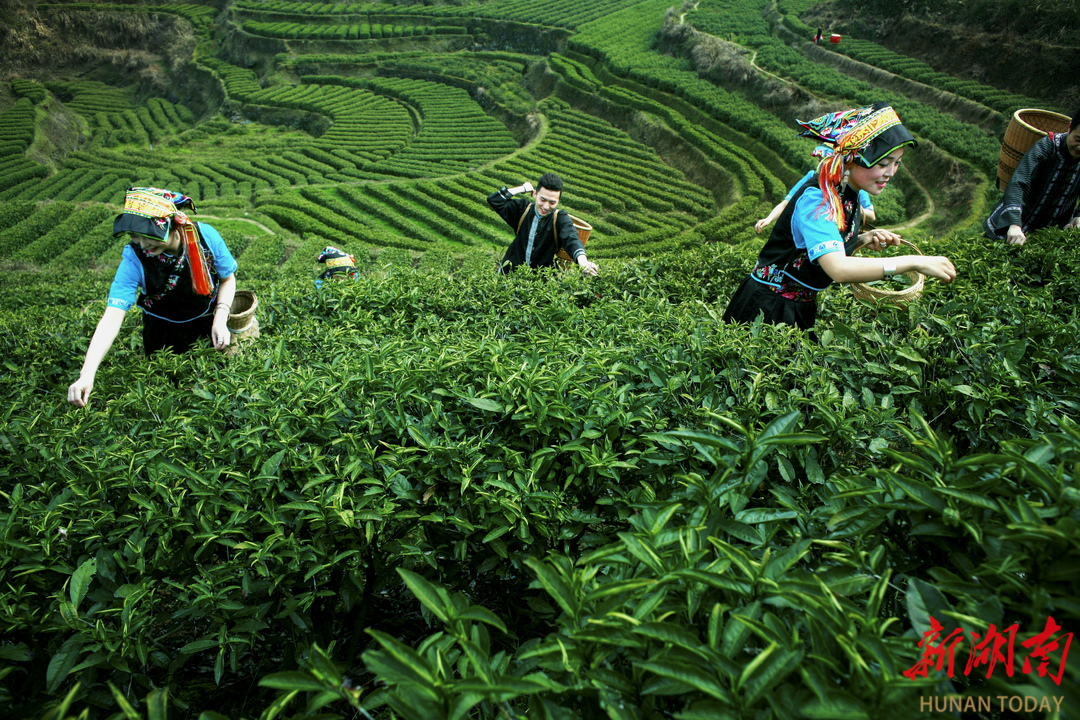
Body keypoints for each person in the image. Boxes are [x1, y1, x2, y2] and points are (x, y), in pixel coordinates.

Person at [723, 101, 957, 331]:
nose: (891, 172)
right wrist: (914, 262)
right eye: (883, 163)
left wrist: (862, 239)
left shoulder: (847, 193)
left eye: (897, 163)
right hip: (767, 309)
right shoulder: (819, 200)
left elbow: (819, 246)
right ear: (852, 159)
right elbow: (838, 268)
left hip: (799, 305)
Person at [67, 187, 238, 407]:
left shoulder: (205, 237)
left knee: (212, 393)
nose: (143, 244)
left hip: (207, 327)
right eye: (134, 236)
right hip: (161, 336)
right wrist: (87, 373)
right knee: (167, 397)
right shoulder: (134, 258)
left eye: (149, 235)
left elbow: (227, 279)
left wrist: (221, 318)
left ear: (173, 226)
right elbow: (111, 318)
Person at [983, 107, 1080, 245]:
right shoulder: (1046, 147)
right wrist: (1014, 224)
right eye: (1078, 139)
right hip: (1016, 225)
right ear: (1069, 128)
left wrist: (1078, 217)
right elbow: (1019, 183)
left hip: (1049, 234)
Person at [488, 172, 598, 275]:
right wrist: (523, 188)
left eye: (552, 202)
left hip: (541, 279)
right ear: (535, 194)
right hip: (510, 273)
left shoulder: (560, 218)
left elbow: (572, 239)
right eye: (543, 199)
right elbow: (494, 200)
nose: (546, 206)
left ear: (558, 201)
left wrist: (583, 262)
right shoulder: (523, 209)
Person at [755, 168, 877, 233]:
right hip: (809, 231)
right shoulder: (812, 177)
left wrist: (846, 205)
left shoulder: (853, 185)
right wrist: (769, 219)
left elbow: (871, 216)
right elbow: (787, 202)